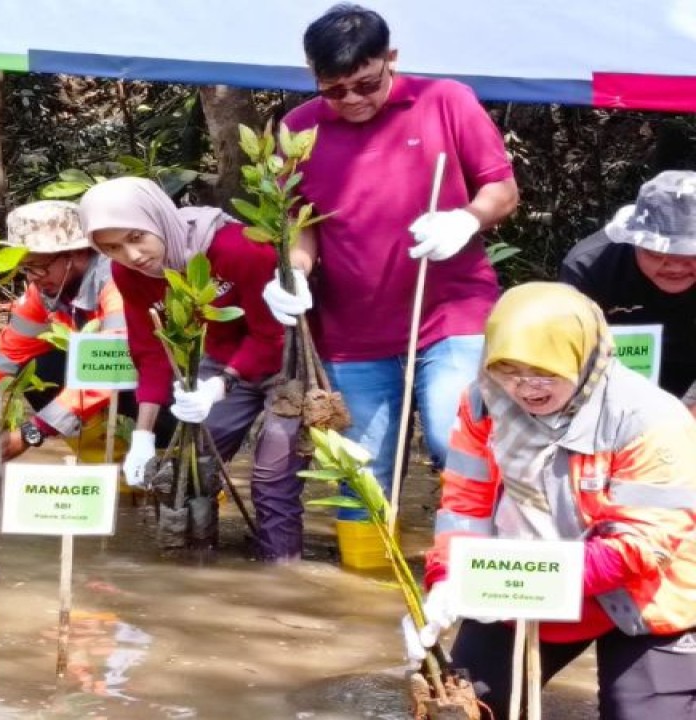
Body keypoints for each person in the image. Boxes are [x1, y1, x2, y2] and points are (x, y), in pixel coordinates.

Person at [265, 4, 519, 552]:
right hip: (352, 330)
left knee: (462, 446)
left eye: (366, 84)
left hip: (451, 312)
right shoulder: (298, 129)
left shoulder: (445, 100)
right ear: (313, 79)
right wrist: (295, 272)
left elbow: (502, 191)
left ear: (391, 60)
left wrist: (466, 218)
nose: (353, 100)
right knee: (359, 475)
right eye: (335, 90)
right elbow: (297, 225)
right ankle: (366, 598)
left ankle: (483, 580)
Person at [404, 282, 696, 720]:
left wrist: (527, 581)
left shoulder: (650, 418)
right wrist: (449, 578)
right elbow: (466, 504)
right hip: (522, 574)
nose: (526, 387)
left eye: (545, 370)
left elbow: (643, 544)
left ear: (583, 357)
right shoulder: (484, 401)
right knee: (462, 704)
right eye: (509, 369)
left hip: (642, 592)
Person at [80, 176, 305, 562]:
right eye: (113, 247)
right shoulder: (129, 275)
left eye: (137, 237)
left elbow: (270, 338)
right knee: (191, 463)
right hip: (218, 359)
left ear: (157, 218)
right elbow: (151, 351)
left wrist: (218, 388)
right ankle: (197, 562)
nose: (132, 255)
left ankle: (281, 569)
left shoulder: (239, 249)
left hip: (282, 361)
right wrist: (143, 437)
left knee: (271, 477)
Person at [0, 200, 169, 463]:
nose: (33, 278)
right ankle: (104, 466)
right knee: (37, 368)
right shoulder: (43, 291)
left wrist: (32, 432)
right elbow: (6, 361)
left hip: (162, 383)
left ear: (78, 253)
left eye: (40, 266)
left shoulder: (117, 281)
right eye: (26, 268)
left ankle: (172, 465)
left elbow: (111, 369)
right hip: (111, 383)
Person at [560, 170, 696, 415]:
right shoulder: (590, 267)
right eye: (657, 253)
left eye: (691, 256)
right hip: (613, 385)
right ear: (633, 241)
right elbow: (571, 354)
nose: (676, 266)